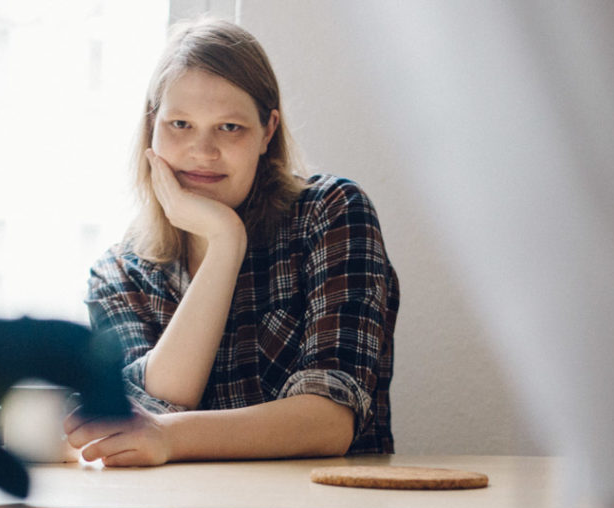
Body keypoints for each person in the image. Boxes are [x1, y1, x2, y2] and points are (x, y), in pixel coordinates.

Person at [64, 17, 397, 467]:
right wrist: (223, 242)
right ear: (152, 127)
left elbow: (330, 420)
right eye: (180, 123)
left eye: (229, 128)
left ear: (268, 131)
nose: (202, 151)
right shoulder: (119, 272)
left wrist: (170, 439)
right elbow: (157, 406)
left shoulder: (331, 211)